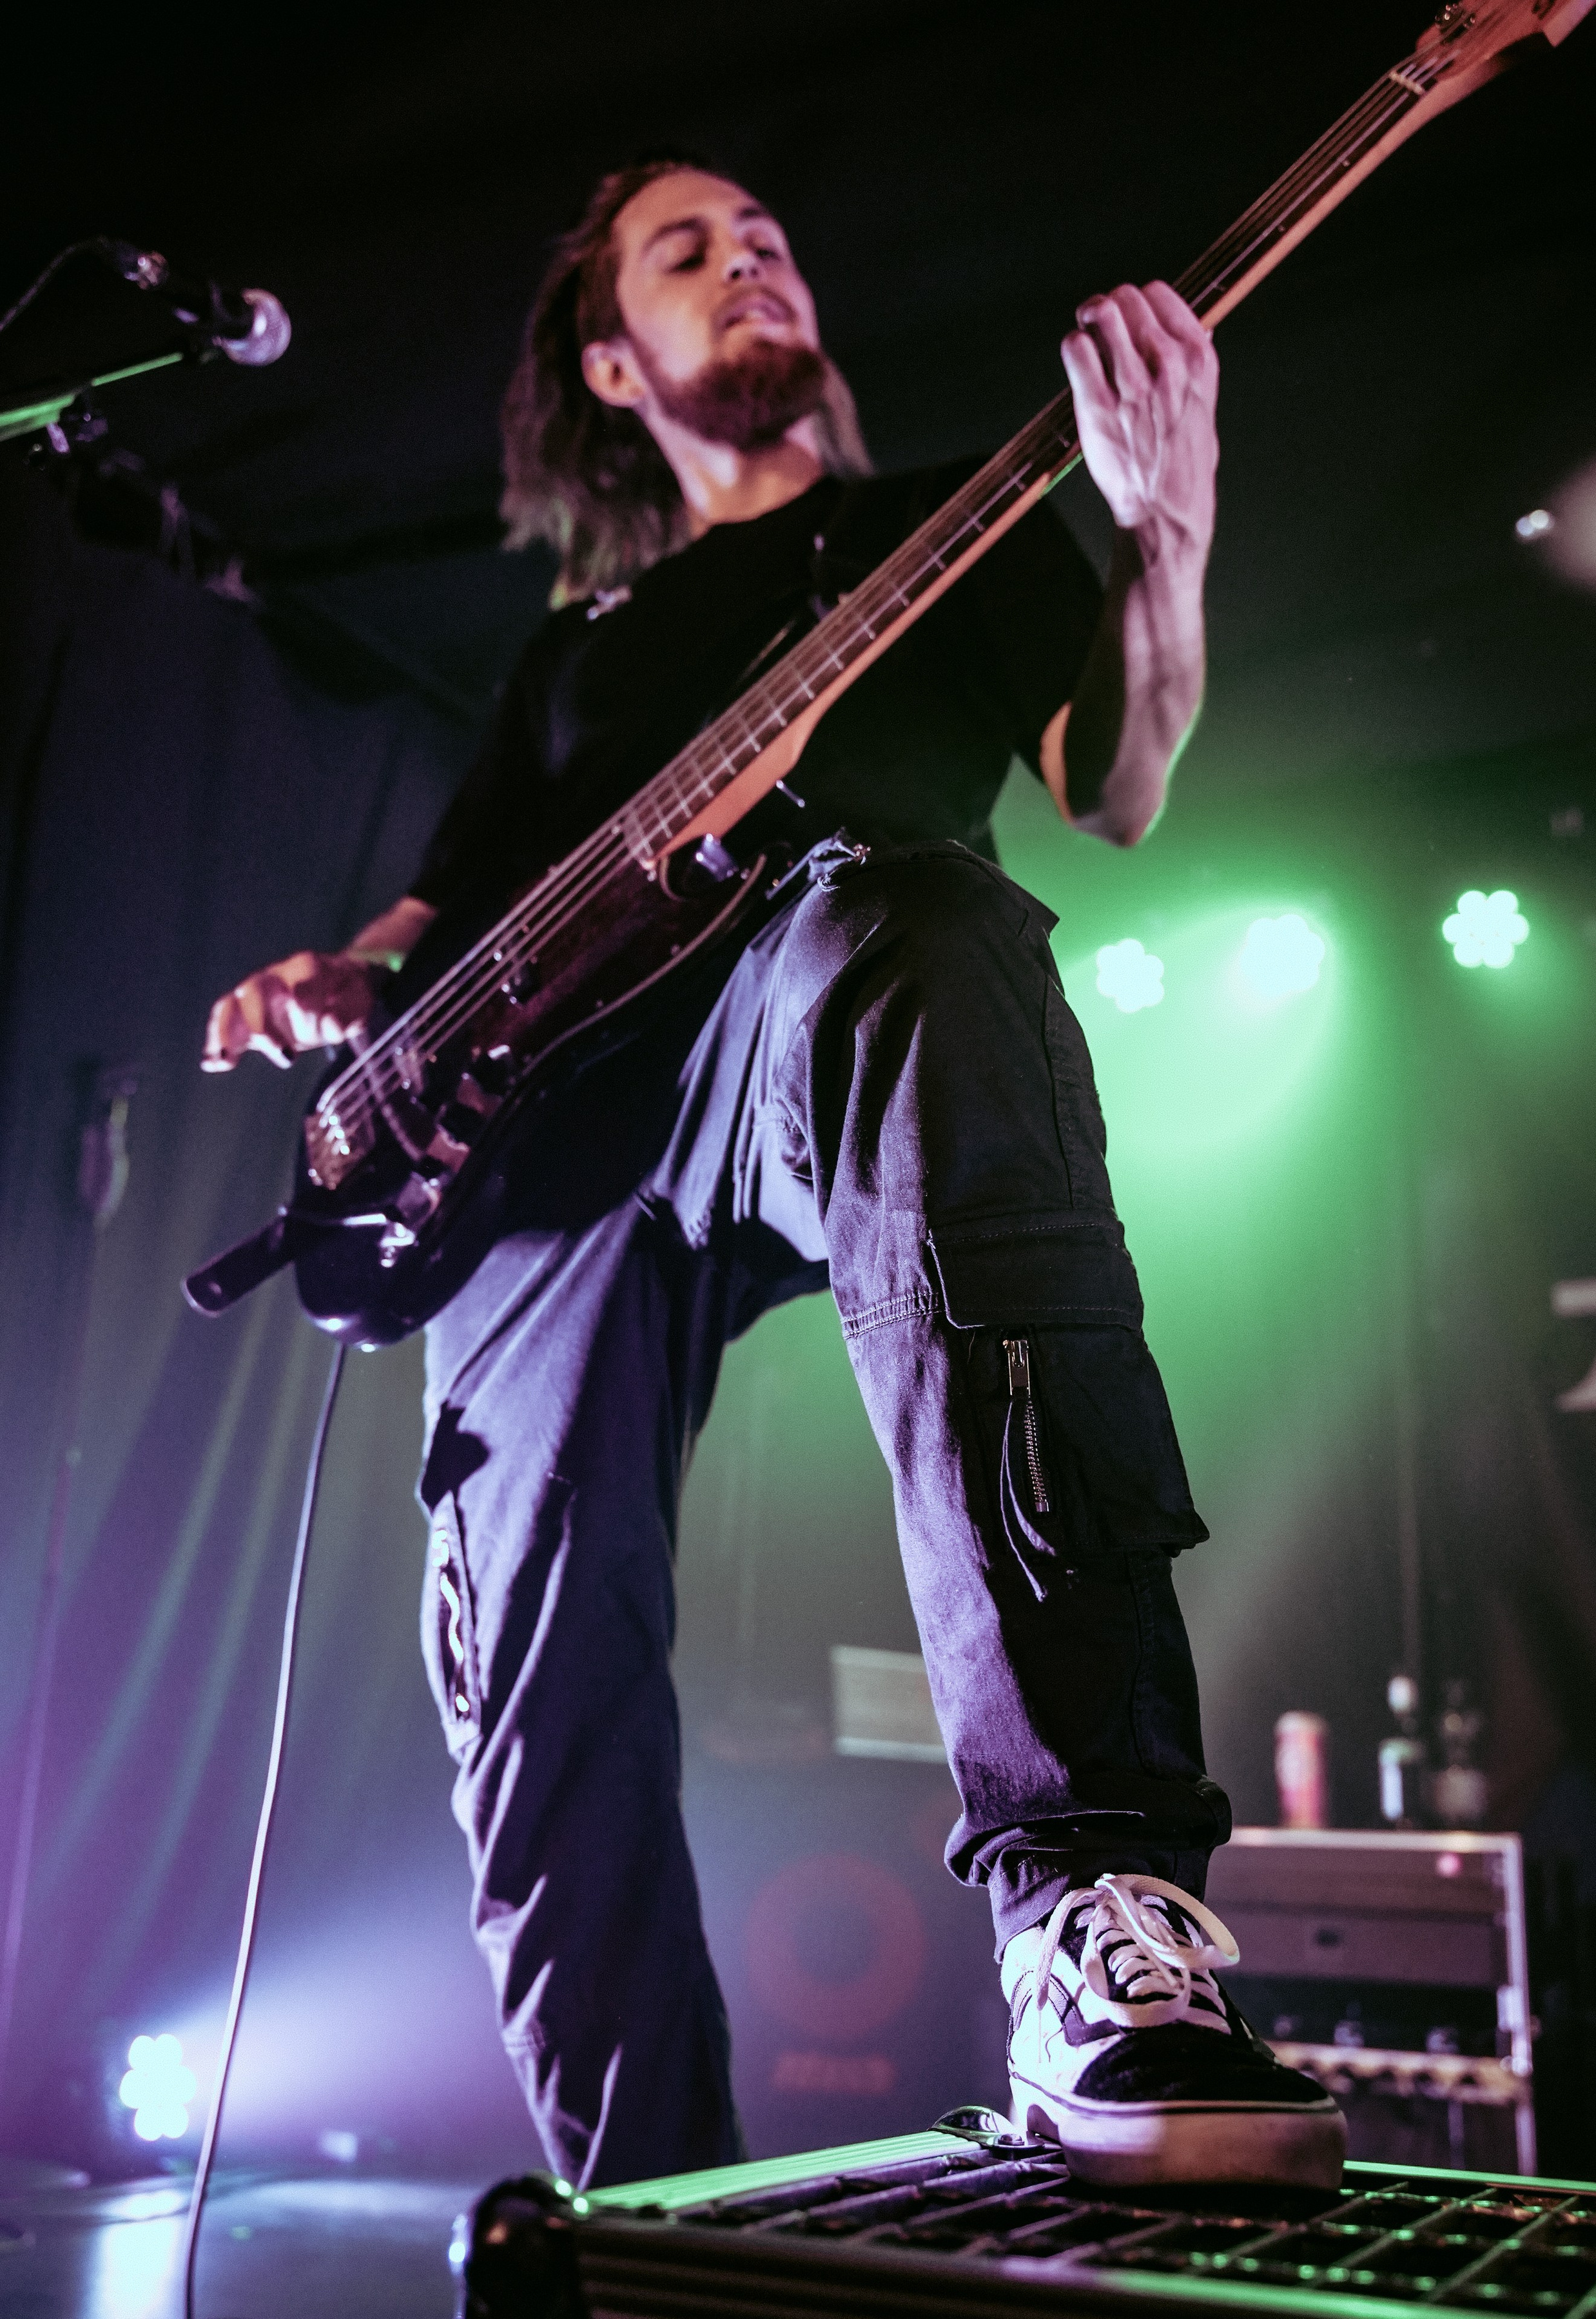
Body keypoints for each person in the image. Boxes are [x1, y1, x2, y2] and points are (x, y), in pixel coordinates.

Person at [202, 159, 1343, 2192]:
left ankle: (1100, 1925)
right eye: (690, 248)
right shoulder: (589, 643)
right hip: (549, 1152)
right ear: (612, 361)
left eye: (774, 237)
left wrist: (1163, 520)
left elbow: (1127, 783)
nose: (756, 259)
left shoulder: (946, 525)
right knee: (534, 1689)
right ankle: (642, 2212)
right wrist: (343, 982)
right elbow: (446, 905)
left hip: (805, 1004)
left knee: (926, 933)